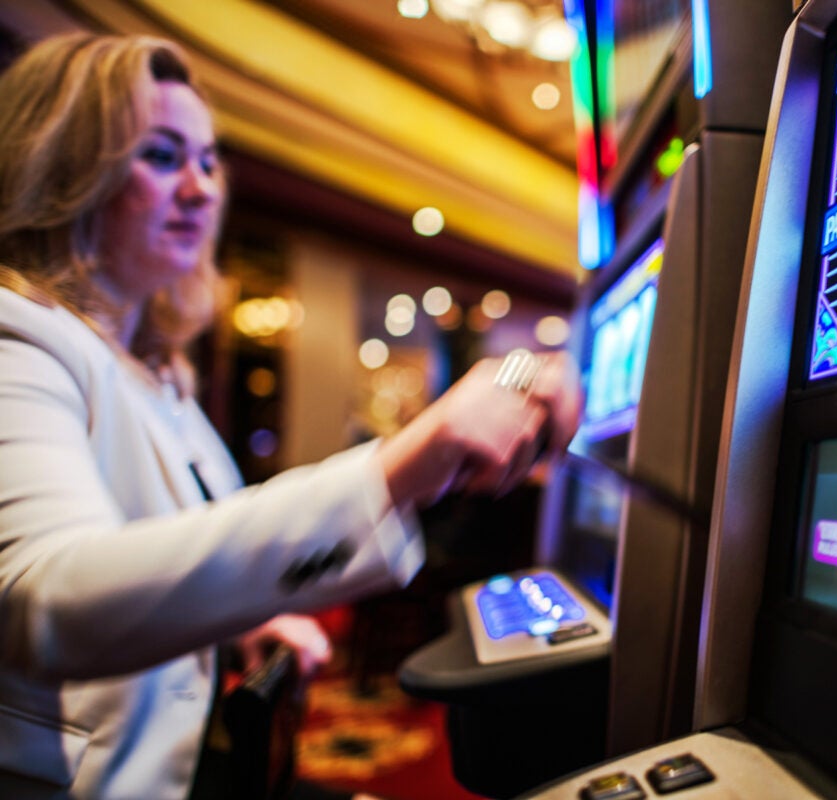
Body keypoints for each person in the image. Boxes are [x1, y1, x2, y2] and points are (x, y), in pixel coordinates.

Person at [0, 31, 582, 800]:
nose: (204, 189)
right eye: (163, 155)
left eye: (209, 161)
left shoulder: (158, 371)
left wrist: (239, 628)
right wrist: (402, 461)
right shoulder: (20, 334)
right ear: (65, 168)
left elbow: (178, 547)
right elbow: (46, 605)